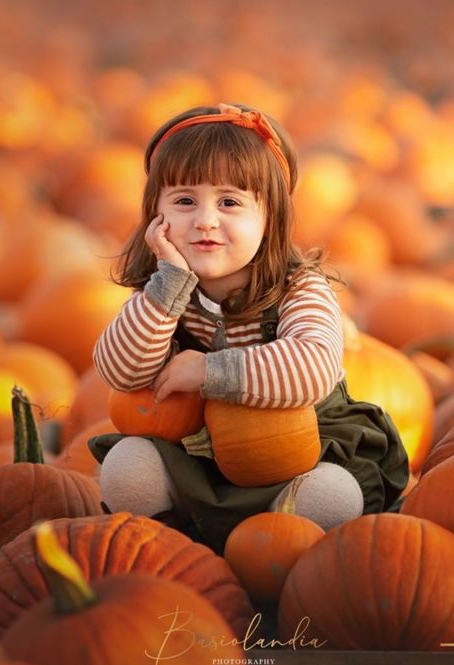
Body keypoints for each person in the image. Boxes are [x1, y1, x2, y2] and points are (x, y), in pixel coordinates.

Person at [90, 102, 409, 553]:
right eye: (184, 201)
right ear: (155, 216)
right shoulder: (164, 291)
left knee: (331, 495)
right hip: (199, 455)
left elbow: (314, 365)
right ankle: (175, 553)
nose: (205, 220)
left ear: (270, 217)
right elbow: (120, 372)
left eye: (229, 202)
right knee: (127, 465)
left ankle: (279, 559)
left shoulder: (299, 289)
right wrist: (168, 288)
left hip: (300, 457)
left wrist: (210, 371)